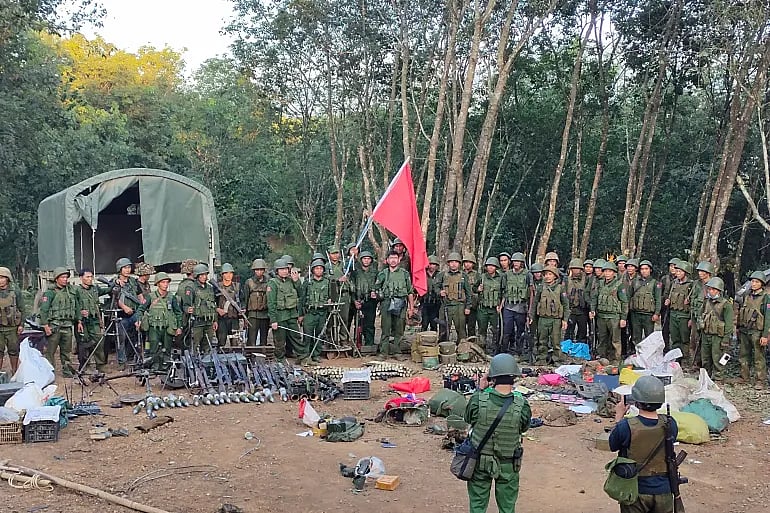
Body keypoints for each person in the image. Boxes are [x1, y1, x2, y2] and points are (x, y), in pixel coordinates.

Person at [464, 353, 531, 513]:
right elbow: (524, 428)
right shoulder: (522, 405)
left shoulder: (478, 400)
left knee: (477, 505)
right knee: (507, 507)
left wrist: (480, 389)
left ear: (491, 377)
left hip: (480, 462)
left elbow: (468, 417)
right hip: (508, 463)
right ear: (515, 377)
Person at [609, 375, 678, 513]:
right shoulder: (671, 423)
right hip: (664, 491)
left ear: (636, 401)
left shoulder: (625, 426)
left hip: (635, 490)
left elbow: (613, 445)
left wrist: (618, 418)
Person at [136, 272, 182, 371]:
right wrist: (139, 320)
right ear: (158, 284)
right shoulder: (150, 297)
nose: (165, 284)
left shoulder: (171, 297)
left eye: (167, 282)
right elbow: (140, 309)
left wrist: (179, 327)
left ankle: (166, 369)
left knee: (167, 350)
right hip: (154, 328)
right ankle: (155, 368)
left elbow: (178, 312)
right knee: (153, 349)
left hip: (167, 328)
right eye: (163, 282)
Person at [374, 251, 415, 357]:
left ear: (399, 259)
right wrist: (377, 295)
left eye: (395, 258)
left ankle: (397, 352)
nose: (393, 260)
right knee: (385, 329)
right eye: (391, 258)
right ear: (387, 260)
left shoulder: (405, 274)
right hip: (386, 303)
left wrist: (411, 308)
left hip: (401, 303)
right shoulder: (383, 274)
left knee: (399, 328)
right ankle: (384, 352)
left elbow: (410, 292)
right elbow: (376, 289)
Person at [39, 267, 77, 377]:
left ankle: (67, 370)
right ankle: (49, 372)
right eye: (62, 277)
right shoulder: (50, 293)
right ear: (56, 279)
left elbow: (76, 307)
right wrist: (45, 326)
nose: (65, 279)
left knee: (66, 351)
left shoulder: (70, 292)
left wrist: (78, 321)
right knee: (50, 352)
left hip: (67, 326)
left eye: (66, 277)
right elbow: (44, 310)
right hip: (54, 326)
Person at [735, 271, 769, 389]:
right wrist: (738, 327)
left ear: (762, 284)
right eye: (752, 281)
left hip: (757, 331)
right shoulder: (746, 295)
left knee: (759, 357)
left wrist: (765, 335)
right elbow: (740, 312)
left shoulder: (766, 298)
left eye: (756, 282)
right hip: (745, 330)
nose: (753, 284)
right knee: (743, 354)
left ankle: (760, 380)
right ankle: (744, 376)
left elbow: (768, 317)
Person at [590, 261, 629, 363]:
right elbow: (594, 298)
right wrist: (592, 310)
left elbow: (624, 302)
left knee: (615, 340)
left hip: (614, 317)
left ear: (614, 273)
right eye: (606, 271)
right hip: (601, 316)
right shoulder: (600, 284)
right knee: (602, 338)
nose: (607, 273)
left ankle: (616, 359)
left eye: (609, 271)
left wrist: (623, 318)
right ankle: (602, 357)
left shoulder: (619, 285)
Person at [530, 265, 570, 364]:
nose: (547, 276)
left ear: (555, 276)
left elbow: (565, 304)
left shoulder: (560, 288)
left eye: (549, 274)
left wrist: (565, 319)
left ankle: (557, 359)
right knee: (541, 340)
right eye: (545, 274)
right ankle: (541, 359)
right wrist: (531, 316)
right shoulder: (540, 288)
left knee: (556, 341)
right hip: (543, 319)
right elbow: (535, 303)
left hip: (556, 319)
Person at [74, 268, 109, 373]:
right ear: (81, 278)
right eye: (87, 277)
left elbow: (106, 291)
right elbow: (74, 305)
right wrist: (79, 316)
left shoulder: (95, 289)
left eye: (91, 277)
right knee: (84, 344)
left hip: (94, 320)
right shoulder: (76, 291)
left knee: (99, 342)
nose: (90, 279)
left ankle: (101, 365)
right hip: (83, 322)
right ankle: (85, 366)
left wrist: (113, 285)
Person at [266, 258, 302, 362]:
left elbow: (300, 294)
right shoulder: (273, 283)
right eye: (281, 269)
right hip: (280, 315)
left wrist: (297, 281)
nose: (284, 271)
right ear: (277, 271)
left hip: (291, 314)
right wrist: (273, 320)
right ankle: (280, 359)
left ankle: (302, 357)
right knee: (279, 340)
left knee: (296, 336)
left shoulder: (292, 281)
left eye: (286, 269)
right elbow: (271, 303)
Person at [699, 277, 733, 382]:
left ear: (719, 291)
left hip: (718, 336)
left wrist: (726, 339)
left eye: (713, 289)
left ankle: (719, 377)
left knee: (718, 358)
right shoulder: (706, 302)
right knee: (705, 357)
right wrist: (701, 323)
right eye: (709, 289)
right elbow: (701, 314)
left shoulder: (726, 304)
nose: (711, 291)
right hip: (706, 333)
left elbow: (729, 323)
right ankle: (706, 376)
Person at [299, 258, 331, 365]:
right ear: (313, 270)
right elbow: (302, 299)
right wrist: (300, 315)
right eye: (316, 268)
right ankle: (305, 356)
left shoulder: (327, 282)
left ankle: (316, 355)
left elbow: (331, 296)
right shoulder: (308, 282)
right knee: (307, 335)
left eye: (321, 268)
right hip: (309, 312)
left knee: (319, 335)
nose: (319, 270)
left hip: (322, 313)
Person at [112, 257, 142, 369]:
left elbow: (140, 295)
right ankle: (121, 362)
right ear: (120, 269)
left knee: (136, 335)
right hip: (121, 315)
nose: (127, 270)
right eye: (125, 268)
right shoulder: (115, 281)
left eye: (129, 267)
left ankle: (134, 358)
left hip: (134, 313)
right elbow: (114, 297)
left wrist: (141, 307)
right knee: (121, 338)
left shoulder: (133, 281)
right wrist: (124, 307)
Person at [184, 264, 218, 353]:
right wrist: (188, 309)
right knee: (194, 346)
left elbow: (213, 305)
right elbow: (185, 305)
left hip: (209, 322)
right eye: (201, 275)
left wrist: (215, 320)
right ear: (197, 276)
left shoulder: (210, 288)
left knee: (208, 346)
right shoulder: (191, 288)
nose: (204, 277)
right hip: (197, 322)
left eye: (205, 274)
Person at [438, 252, 472, 342]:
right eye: (451, 262)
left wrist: (468, 306)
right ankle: (444, 349)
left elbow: (469, 293)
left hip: (459, 306)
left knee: (461, 329)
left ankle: (462, 349)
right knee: (444, 329)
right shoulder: (442, 275)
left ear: (459, 264)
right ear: (448, 263)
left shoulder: (463, 276)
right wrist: (439, 292)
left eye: (456, 262)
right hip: (446, 305)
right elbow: (435, 286)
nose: (453, 264)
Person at [501, 252, 529, 355]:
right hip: (508, 307)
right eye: (514, 261)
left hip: (521, 307)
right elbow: (504, 291)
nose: (516, 263)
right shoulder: (507, 274)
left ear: (522, 263)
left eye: (518, 261)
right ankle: (504, 351)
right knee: (506, 330)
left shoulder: (527, 274)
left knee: (520, 332)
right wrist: (501, 305)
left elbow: (531, 292)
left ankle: (519, 351)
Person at [629, 260, 662, 347]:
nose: (644, 271)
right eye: (642, 269)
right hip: (636, 314)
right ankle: (636, 354)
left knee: (649, 337)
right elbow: (629, 296)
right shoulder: (635, 282)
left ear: (650, 270)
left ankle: (649, 355)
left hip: (648, 315)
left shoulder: (655, 283)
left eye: (646, 269)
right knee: (636, 337)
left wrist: (657, 313)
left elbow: (658, 299)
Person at [665, 261, 693, 361]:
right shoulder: (674, 283)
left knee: (684, 338)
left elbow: (693, 304)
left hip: (684, 315)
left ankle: (684, 358)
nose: (677, 273)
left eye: (680, 271)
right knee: (675, 338)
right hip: (673, 314)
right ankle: (676, 358)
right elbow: (670, 295)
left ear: (685, 272)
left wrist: (691, 318)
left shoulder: (691, 285)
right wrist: (668, 300)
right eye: (676, 271)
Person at [475, 257, 503, 353]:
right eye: (488, 266)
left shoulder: (501, 278)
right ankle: (482, 349)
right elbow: (473, 289)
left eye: (492, 266)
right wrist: (478, 289)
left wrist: (501, 305)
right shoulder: (481, 277)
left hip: (495, 309)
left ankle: (495, 349)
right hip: (483, 308)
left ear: (496, 267)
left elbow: (504, 292)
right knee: (482, 329)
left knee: (496, 330)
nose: (490, 268)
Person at [689, 261, 714, 368]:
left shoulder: (713, 284)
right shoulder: (696, 284)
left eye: (702, 271)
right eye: (699, 271)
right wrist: (691, 318)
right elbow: (692, 301)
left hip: (707, 318)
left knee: (704, 342)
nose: (700, 273)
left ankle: (706, 365)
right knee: (694, 340)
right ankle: (696, 362)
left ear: (708, 272)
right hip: (695, 316)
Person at [352, 250, 379, 348]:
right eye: (364, 258)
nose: (366, 261)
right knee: (359, 324)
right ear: (361, 260)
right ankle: (358, 344)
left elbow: (379, 286)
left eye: (368, 259)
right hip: (359, 301)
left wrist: (375, 294)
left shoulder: (375, 273)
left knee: (370, 323)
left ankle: (369, 344)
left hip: (371, 301)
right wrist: (354, 301)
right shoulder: (355, 273)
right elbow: (352, 288)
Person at [0, 266, 24, 374]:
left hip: (12, 328)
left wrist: (21, 325)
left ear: (7, 278)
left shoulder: (15, 291)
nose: (0, 280)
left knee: (14, 351)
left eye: (2, 278)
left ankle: (15, 371)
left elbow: (22, 308)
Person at [326, 246, 351, 342]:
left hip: (344, 294)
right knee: (331, 320)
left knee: (344, 319)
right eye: (333, 253)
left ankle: (343, 339)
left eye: (337, 253)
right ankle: (331, 340)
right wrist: (337, 280)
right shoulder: (326, 266)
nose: (335, 255)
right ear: (329, 254)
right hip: (332, 295)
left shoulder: (344, 265)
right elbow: (325, 279)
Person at [243, 259, 270, 346]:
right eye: (257, 270)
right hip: (253, 314)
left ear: (264, 270)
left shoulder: (269, 282)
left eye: (261, 270)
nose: (259, 272)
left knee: (264, 338)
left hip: (265, 314)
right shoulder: (249, 282)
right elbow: (245, 298)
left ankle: (262, 356)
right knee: (251, 338)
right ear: (254, 270)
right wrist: (245, 316)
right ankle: (250, 356)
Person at [215, 263, 241, 346]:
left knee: (235, 343)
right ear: (222, 275)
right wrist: (217, 309)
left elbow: (243, 300)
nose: (228, 275)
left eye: (230, 273)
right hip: (222, 319)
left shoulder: (237, 286)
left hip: (234, 319)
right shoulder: (217, 287)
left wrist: (242, 309)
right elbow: (212, 302)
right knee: (221, 342)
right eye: (226, 273)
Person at [566, 258, 589, 345]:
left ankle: (581, 346)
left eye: (578, 269)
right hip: (570, 309)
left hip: (582, 309)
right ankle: (568, 346)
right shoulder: (566, 280)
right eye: (574, 269)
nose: (576, 271)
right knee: (569, 330)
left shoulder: (585, 279)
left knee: (582, 330)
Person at [175, 259, 198, 346]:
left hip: (181, 316)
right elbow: (188, 303)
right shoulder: (191, 285)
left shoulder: (182, 284)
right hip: (186, 317)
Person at [659, 258, 679, 349]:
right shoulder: (664, 279)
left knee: (676, 331)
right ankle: (666, 347)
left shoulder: (681, 279)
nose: (673, 268)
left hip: (676, 309)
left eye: (675, 266)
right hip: (665, 308)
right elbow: (659, 293)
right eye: (671, 266)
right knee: (665, 329)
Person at [421, 255, 442, 334]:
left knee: (434, 324)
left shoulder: (440, 275)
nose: (431, 266)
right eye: (430, 264)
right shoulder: (423, 274)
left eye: (434, 264)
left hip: (436, 303)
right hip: (425, 302)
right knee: (424, 323)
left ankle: (433, 341)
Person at [463, 254, 480, 338]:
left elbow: (478, 288)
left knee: (471, 326)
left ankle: (471, 343)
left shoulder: (477, 275)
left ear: (473, 264)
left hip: (473, 304)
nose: (467, 264)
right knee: (461, 326)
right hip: (461, 303)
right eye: (466, 262)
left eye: (470, 262)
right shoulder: (460, 274)